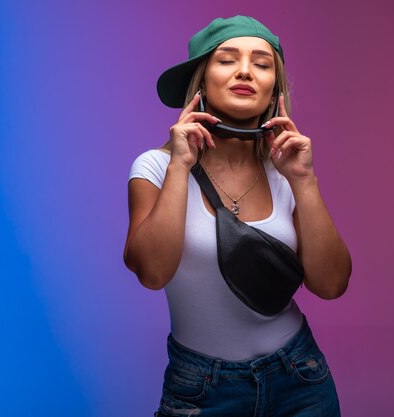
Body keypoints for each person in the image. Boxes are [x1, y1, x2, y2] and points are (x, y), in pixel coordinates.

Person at [123, 16, 351, 416]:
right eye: (227, 60)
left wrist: (305, 180)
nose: (245, 70)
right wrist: (180, 165)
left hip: (299, 377)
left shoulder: (287, 174)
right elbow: (152, 272)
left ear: (273, 92)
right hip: (200, 388)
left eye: (262, 64)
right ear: (202, 80)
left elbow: (332, 284)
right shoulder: (156, 168)